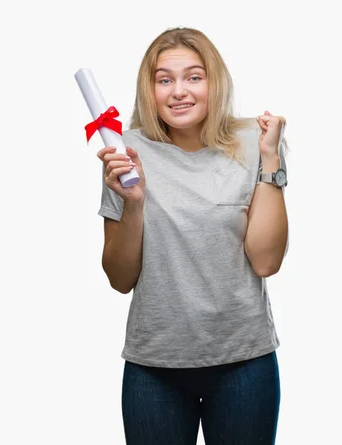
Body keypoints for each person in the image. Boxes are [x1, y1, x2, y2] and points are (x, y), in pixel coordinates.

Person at [96, 26, 289, 445]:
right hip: (154, 368)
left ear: (213, 82)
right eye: (164, 79)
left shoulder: (254, 143)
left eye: (193, 77)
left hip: (244, 362)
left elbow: (266, 260)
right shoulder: (125, 153)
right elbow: (120, 278)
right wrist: (133, 203)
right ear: (149, 89)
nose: (178, 91)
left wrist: (271, 158)